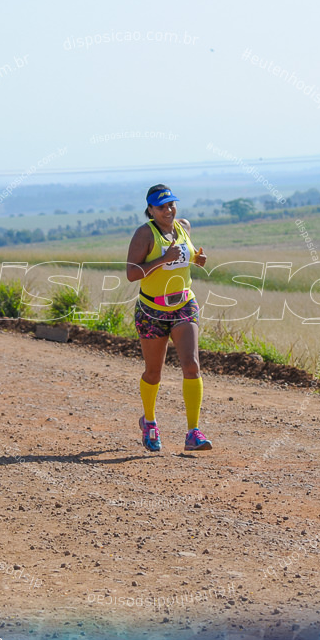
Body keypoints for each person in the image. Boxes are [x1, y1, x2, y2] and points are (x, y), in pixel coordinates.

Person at [126, 184, 210, 452]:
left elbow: (189, 255)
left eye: (171, 204)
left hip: (183, 303)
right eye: (162, 206)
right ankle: (149, 421)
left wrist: (198, 259)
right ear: (150, 209)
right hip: (152, 309)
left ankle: (193, 432)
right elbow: (132, 273)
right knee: (154, 372)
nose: (168, 210)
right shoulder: (144, 234)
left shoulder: (183, 226)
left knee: (192, 365)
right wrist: (162, 259)